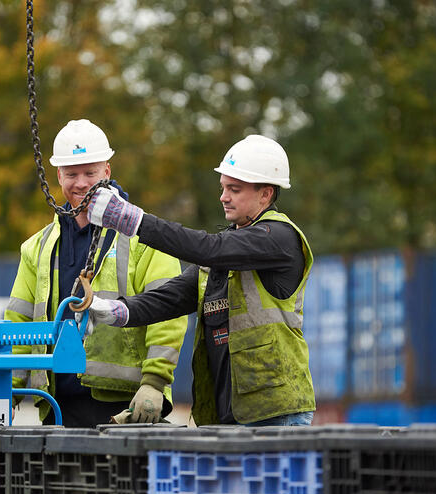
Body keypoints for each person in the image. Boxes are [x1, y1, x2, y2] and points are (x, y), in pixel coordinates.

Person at [83, 134, 315, 426]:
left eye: (234, 189)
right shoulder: (230, 250)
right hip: (228, 413)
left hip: (274, 414)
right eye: (223, 188)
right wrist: (114, 310)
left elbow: (209, 248)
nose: (223, 197)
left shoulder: (279, 238)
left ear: (265, 194)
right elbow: (171, 298)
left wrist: (132, 220)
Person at [5, 119, 187, 427]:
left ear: (107, 172)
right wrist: (7, 391)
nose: (80, 183)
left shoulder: (146, 239)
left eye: (90, 173)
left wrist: (155, 382)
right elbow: (19, 323)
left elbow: (168, 316)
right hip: (57, 407)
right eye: (71, 174)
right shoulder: (37, 247)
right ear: (58, 175)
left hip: (125, 408)